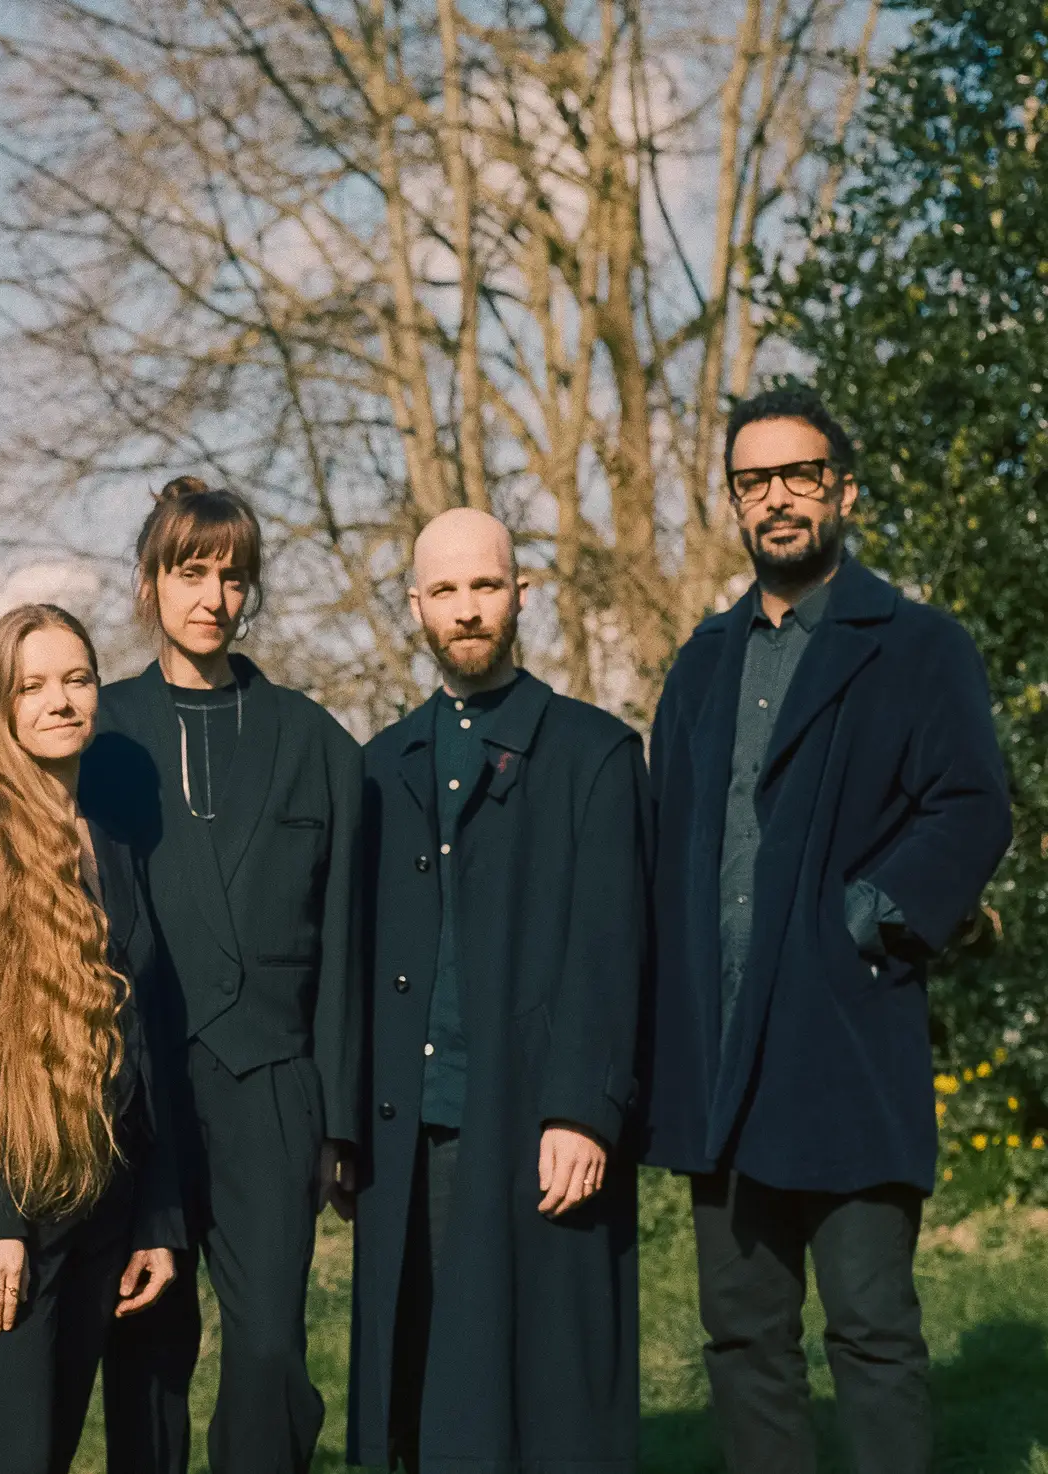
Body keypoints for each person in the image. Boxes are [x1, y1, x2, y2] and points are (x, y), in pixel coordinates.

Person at [643, 385, 1012, 1474]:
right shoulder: (703, 661)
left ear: (843, 490)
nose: (778, 499)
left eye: (799, 475)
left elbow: (969, 803)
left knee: (871, 1330)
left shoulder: (915, 645)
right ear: (735, 504)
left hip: (848, 1040)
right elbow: (671, 838)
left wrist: (870, 917)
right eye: (753, 482)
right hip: (723, 1060)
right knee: (745, 1337)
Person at [345, 507, 649, 1471]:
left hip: (536, 1129)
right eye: (446, 591)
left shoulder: (595, 754)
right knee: (427, 1396)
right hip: (412, 1136)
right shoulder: (382, 764)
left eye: (486, 586)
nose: (467, 609)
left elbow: (613, 948)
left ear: (523, 593)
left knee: (547, 1402)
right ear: (416, 607)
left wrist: (584, 1113)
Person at [82, 477, 364, 1474]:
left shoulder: (316, 741)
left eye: (232, 575)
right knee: (147, 1353)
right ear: (150, 581)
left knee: (268, 1351)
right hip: (140, 1093)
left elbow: (346, 941)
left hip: (274, 1087)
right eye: (189, 571)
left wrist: (341, 1122)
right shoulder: (97, 731)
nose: (212, 595)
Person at [0, 603, 184, 1474]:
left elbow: (142, 1043)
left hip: (105, 1204)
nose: (60, 701)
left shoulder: (112, 845)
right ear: (1, 706)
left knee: (56, 1450)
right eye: (32, 686)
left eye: (76, 680)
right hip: (12, 1202)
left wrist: (155, 1214)